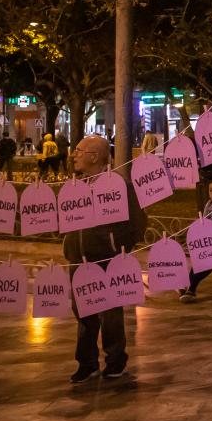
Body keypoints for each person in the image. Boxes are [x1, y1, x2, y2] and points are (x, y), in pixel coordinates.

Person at [63, 135, 145, 385]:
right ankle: (86, 364)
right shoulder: (76, 186)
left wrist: (117, 246)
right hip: (79, 261)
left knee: (109, 313)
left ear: (94, 156)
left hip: (106, 259)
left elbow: (138, 222)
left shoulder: (118, 185)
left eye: (78, 150)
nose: (74, 154)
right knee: (83, 313)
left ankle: (115, 361)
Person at [178, 179, 212, 302]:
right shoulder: (209, 205)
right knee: (203, 257)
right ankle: (190, 288)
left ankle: (190, 287)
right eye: (211, 190)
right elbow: (204, 225)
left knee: (210, 258)